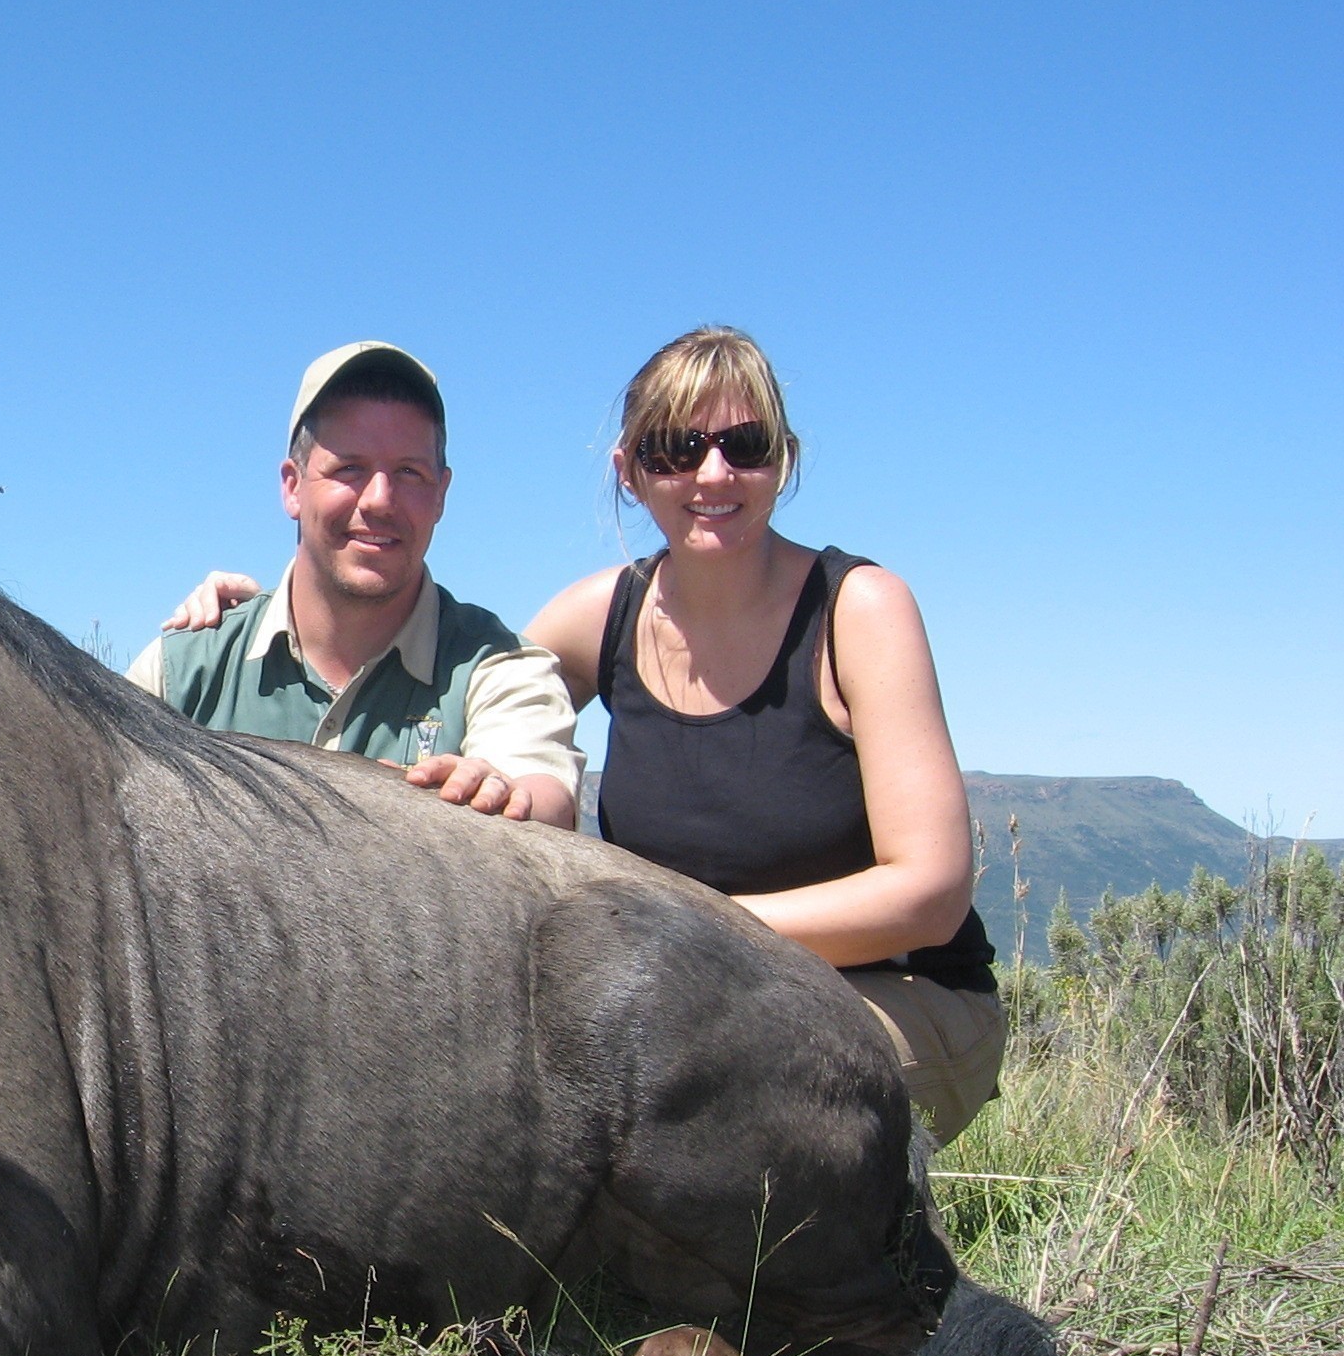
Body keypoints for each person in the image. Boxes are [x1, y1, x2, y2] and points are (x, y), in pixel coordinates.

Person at [159, 327, 1003, 1140]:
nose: (713, 473)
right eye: (675, 447)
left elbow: (929, 894)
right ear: (630, 472)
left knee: (698, 1092)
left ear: (782, 457)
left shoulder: (858, 611)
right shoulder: (598, 618)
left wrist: (692, 933)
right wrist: (238, 627)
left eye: (745, 444)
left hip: (883, 991)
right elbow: (476, 696)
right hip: (687, 994)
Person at [125, 342, 583, 824]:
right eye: (350, 468)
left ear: (441, 495)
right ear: (293, 486)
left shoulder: (500, 667)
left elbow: (543, 798)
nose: (380, 500)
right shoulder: (182, 673)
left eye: (409, 472)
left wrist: (498, 797)